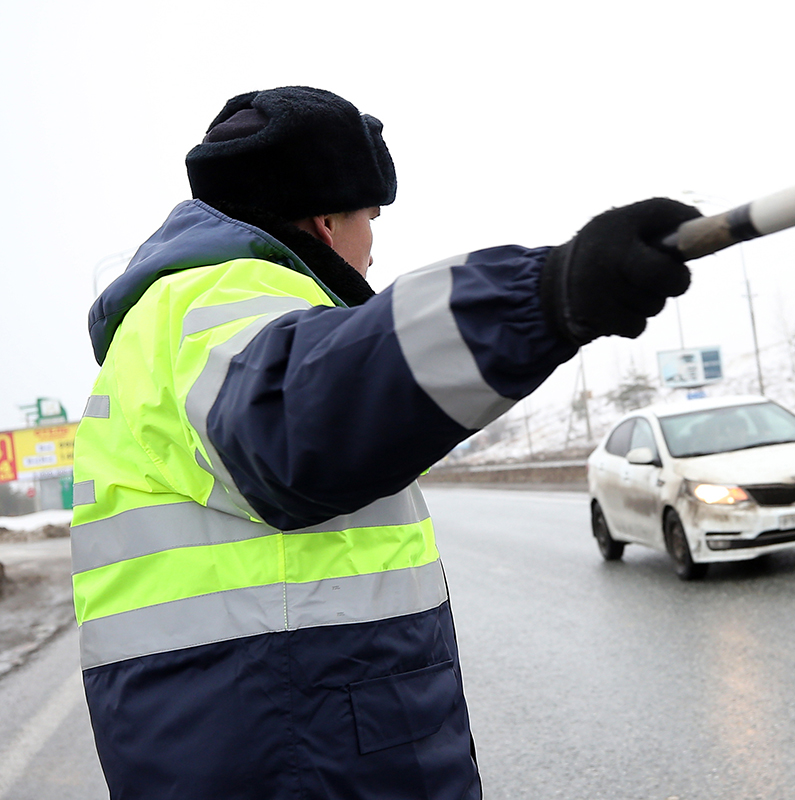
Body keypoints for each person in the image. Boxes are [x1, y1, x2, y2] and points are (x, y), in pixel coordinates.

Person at [70, 86, 700, 799]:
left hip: (276, 734)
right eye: (370, 216)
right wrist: (542, 295)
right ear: (327, 219)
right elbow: (301, 412)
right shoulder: (212, 300)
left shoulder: (186, 319)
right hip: (298, 751)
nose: (375, 242)